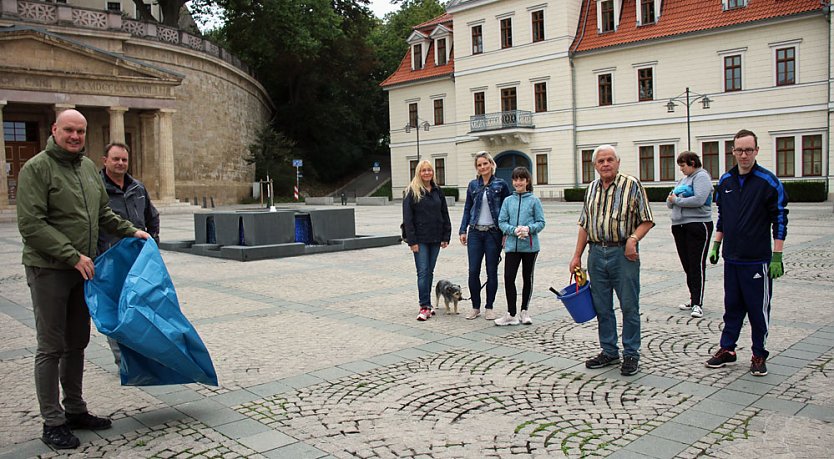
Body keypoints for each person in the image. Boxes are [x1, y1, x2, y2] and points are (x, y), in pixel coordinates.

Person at [16, 109, 151, 450]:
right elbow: (32, 224)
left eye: (80, 131)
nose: (75, 136)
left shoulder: (89, 168)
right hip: (50, 270)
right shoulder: (37, 168)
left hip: (84, 272)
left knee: (77, 343)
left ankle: (75, 409)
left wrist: (131, 230)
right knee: (51, 346)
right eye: (69, 130)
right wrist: (71, 255)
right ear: (54, 130)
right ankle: (53, 420)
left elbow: (104, 214)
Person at [705, 129, 788, 377]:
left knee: (757, 309)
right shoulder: (726, 181)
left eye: (748, 150)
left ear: (756, 151)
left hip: (757, 260)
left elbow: (780, 218)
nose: (744, 155)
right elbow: (723, 217)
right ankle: (727, 349)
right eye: (739, 150)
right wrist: (716, 245)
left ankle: (759, 354)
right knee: (732, 306)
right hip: (732, 258)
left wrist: (777, 256)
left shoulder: (768, 182)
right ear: (733, 152)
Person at [569, 144, 654, 376]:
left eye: (609, 160)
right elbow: (585, 224)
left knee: (629, 305)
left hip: (623, 254)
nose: (605, 164)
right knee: (602, 307)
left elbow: (646, 219)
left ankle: (631, 353)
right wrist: (577, 255)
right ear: (595, 165)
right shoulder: (592, 188)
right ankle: (608, 350)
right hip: (596, 253)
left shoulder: (631, 185)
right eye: (601, 161)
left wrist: (633, 239)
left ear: (618, 162)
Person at [98, 142, 160, 365]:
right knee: (115, 309)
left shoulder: (138, 188)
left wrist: (153, 247)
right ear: (105, 160)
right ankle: (123, 359)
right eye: (115, 159)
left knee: (140, 306)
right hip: (110, 261)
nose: (120, 163)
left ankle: (141, 353)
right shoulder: (96, 188)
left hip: (138, 260)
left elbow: (152, 217)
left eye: (124, 159)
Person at [459, 151, 511, 321]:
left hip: (493, 233)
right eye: (479, 165)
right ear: (477, 168)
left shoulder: (501, 185)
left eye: (485, 164)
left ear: (491, 164)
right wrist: (462, 230)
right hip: (475, 232)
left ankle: (489, 306)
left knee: (491, 271)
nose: (482, 167)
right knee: (473, 271)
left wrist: (506, 233)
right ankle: (475, 306)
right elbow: (467, 208)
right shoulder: (473, 185)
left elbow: (507, 209)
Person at [666, 151, 714, 319]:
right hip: (680, 225)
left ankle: (697, 303)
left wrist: (677, 200)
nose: (681, 169)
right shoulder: (683, 180)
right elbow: (669, 200)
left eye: (683, 165)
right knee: (687, 265)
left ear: (693, 163)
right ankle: (693, 298)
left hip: (697, 225)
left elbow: (699, 199)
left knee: (696, 264)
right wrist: (673, 199)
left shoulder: (701, 177)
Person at [402, 160, 451, 321]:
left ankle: (428, 305)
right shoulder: (411, 191)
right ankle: (424, 306)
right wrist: (412, 241)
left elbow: (444, 214)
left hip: (436, 237)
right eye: (423, 170)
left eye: (429, 170)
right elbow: (408, 219)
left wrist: (446, 236)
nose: (427, 173)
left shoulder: (437, 191)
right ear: (418, 172)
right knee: (422, 272)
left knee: (429, 271)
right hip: (420, 239)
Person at [495, 167, 545, 326]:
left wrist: (529, 229)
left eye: (521, 179)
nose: (518, 182)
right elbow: (502, 222)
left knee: (527, 278)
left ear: (527, 181)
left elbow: (541, 222)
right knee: (509, 278)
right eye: (516, 179)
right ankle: (511, 313)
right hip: (512, 246)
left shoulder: (534, 201)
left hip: (530, 247)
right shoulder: (508, 201)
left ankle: (524, 311)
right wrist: (513, 230)